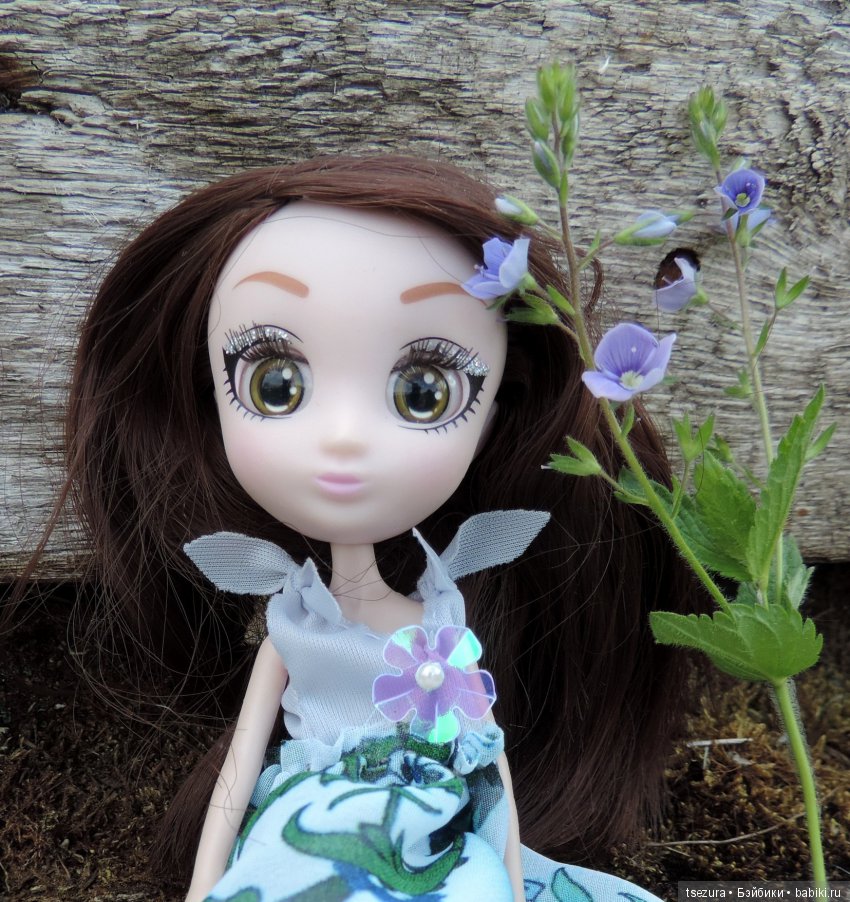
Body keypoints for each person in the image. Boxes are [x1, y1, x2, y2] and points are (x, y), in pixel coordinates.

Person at [39, 155, 699, 900]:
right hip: (305, 833)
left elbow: (490, 764)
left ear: (493, 416)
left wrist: (513, 880)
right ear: (209, 394)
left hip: (428, 837)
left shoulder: (440, 629)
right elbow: (239, 773)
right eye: (276, 384)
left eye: (424, 391)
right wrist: (204, 887)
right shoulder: (295, 623)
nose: (345, 438)